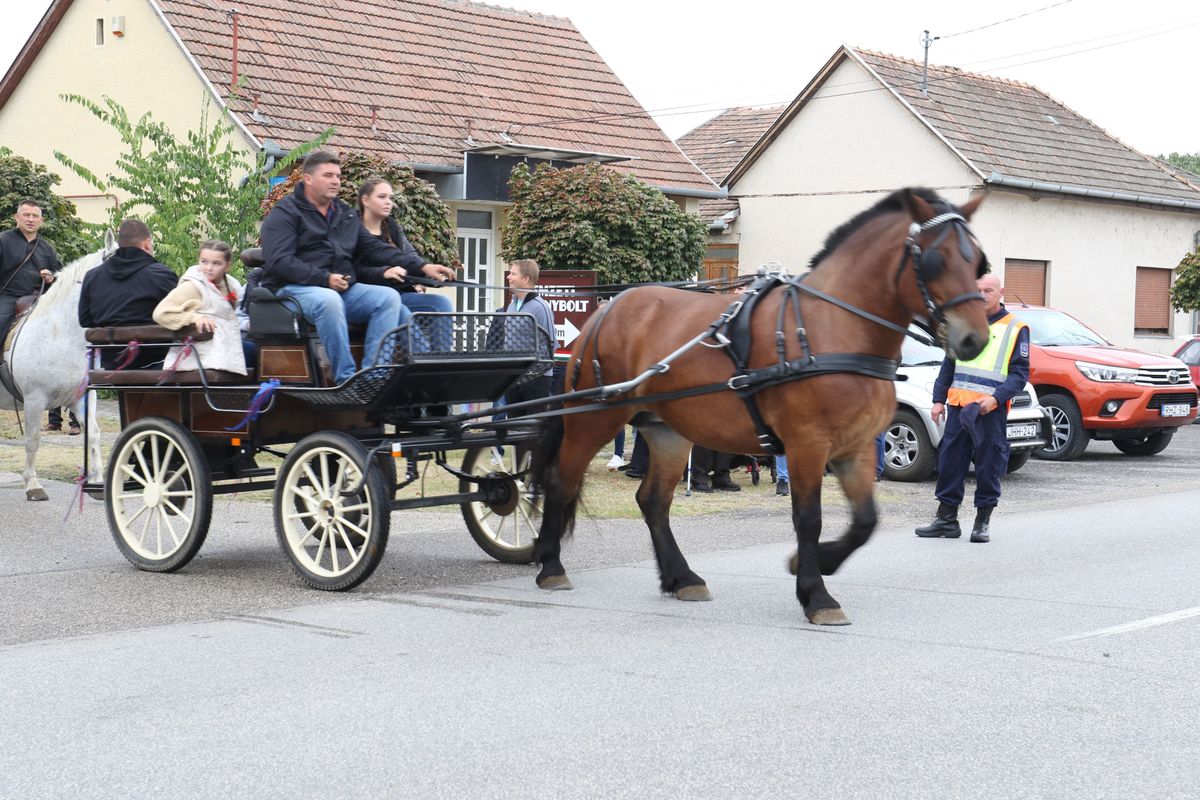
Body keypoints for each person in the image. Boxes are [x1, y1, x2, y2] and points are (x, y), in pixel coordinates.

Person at [259, 151, 454, 383]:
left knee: (388, 297)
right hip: (294, 289)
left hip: (341, 288)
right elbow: (279, 261)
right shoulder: (285, 213)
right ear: (308, 179)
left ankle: (373, 376)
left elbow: (375, 248)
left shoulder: (343, 213)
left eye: (338, 176)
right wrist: (325, 279)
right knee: (327, 300)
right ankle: (346, 378)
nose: (336, 181)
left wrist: (422, 267)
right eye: (328, 175)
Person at [915, 273, 1030, 543]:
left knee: (989, 465)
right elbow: (949, 365)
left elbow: (1019, 374)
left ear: (1001, 293)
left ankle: (982, 522)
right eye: (977, 290)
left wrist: (997, 398)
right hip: (957, 406)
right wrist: (938, 400)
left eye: (988, 290)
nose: (982, 295)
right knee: (950, 462)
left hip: (989, 410)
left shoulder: (1015, 328)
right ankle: (946, 520)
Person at [79, 218, 179, 369]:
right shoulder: (162, 275)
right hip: (157, 363)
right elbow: (179, 316)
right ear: (146, 243)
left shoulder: (92, 276)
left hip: (113, 366)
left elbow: (85, 320)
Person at [153, 240, 252, 375]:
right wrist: (194, 317)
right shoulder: (193, 286)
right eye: (204, 261)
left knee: (261, 354)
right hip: (201, 354)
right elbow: (160, 313)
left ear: (227, 266)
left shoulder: (232, 285)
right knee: (258, 354)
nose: (209, 268)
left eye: (216, 263)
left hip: (225, 350)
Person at [1, 199, 61, 353]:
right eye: (26, 215)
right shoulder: (3, 240)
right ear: (17, 217)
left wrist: (51, 278)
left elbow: (58, 276)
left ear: (41, 221)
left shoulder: (47, 248)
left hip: (38, 299)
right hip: (7, 297)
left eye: (35, 216)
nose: (31, 219)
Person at [501, 258, 556, 408]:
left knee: (531, 429)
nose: (508, 277)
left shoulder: (541, 307)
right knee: (512, 427)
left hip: (536, 381)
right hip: (513, 379)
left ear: (526, 279)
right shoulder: (511, 306)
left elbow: (550, 346)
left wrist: (530, 374)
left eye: (513, 274)